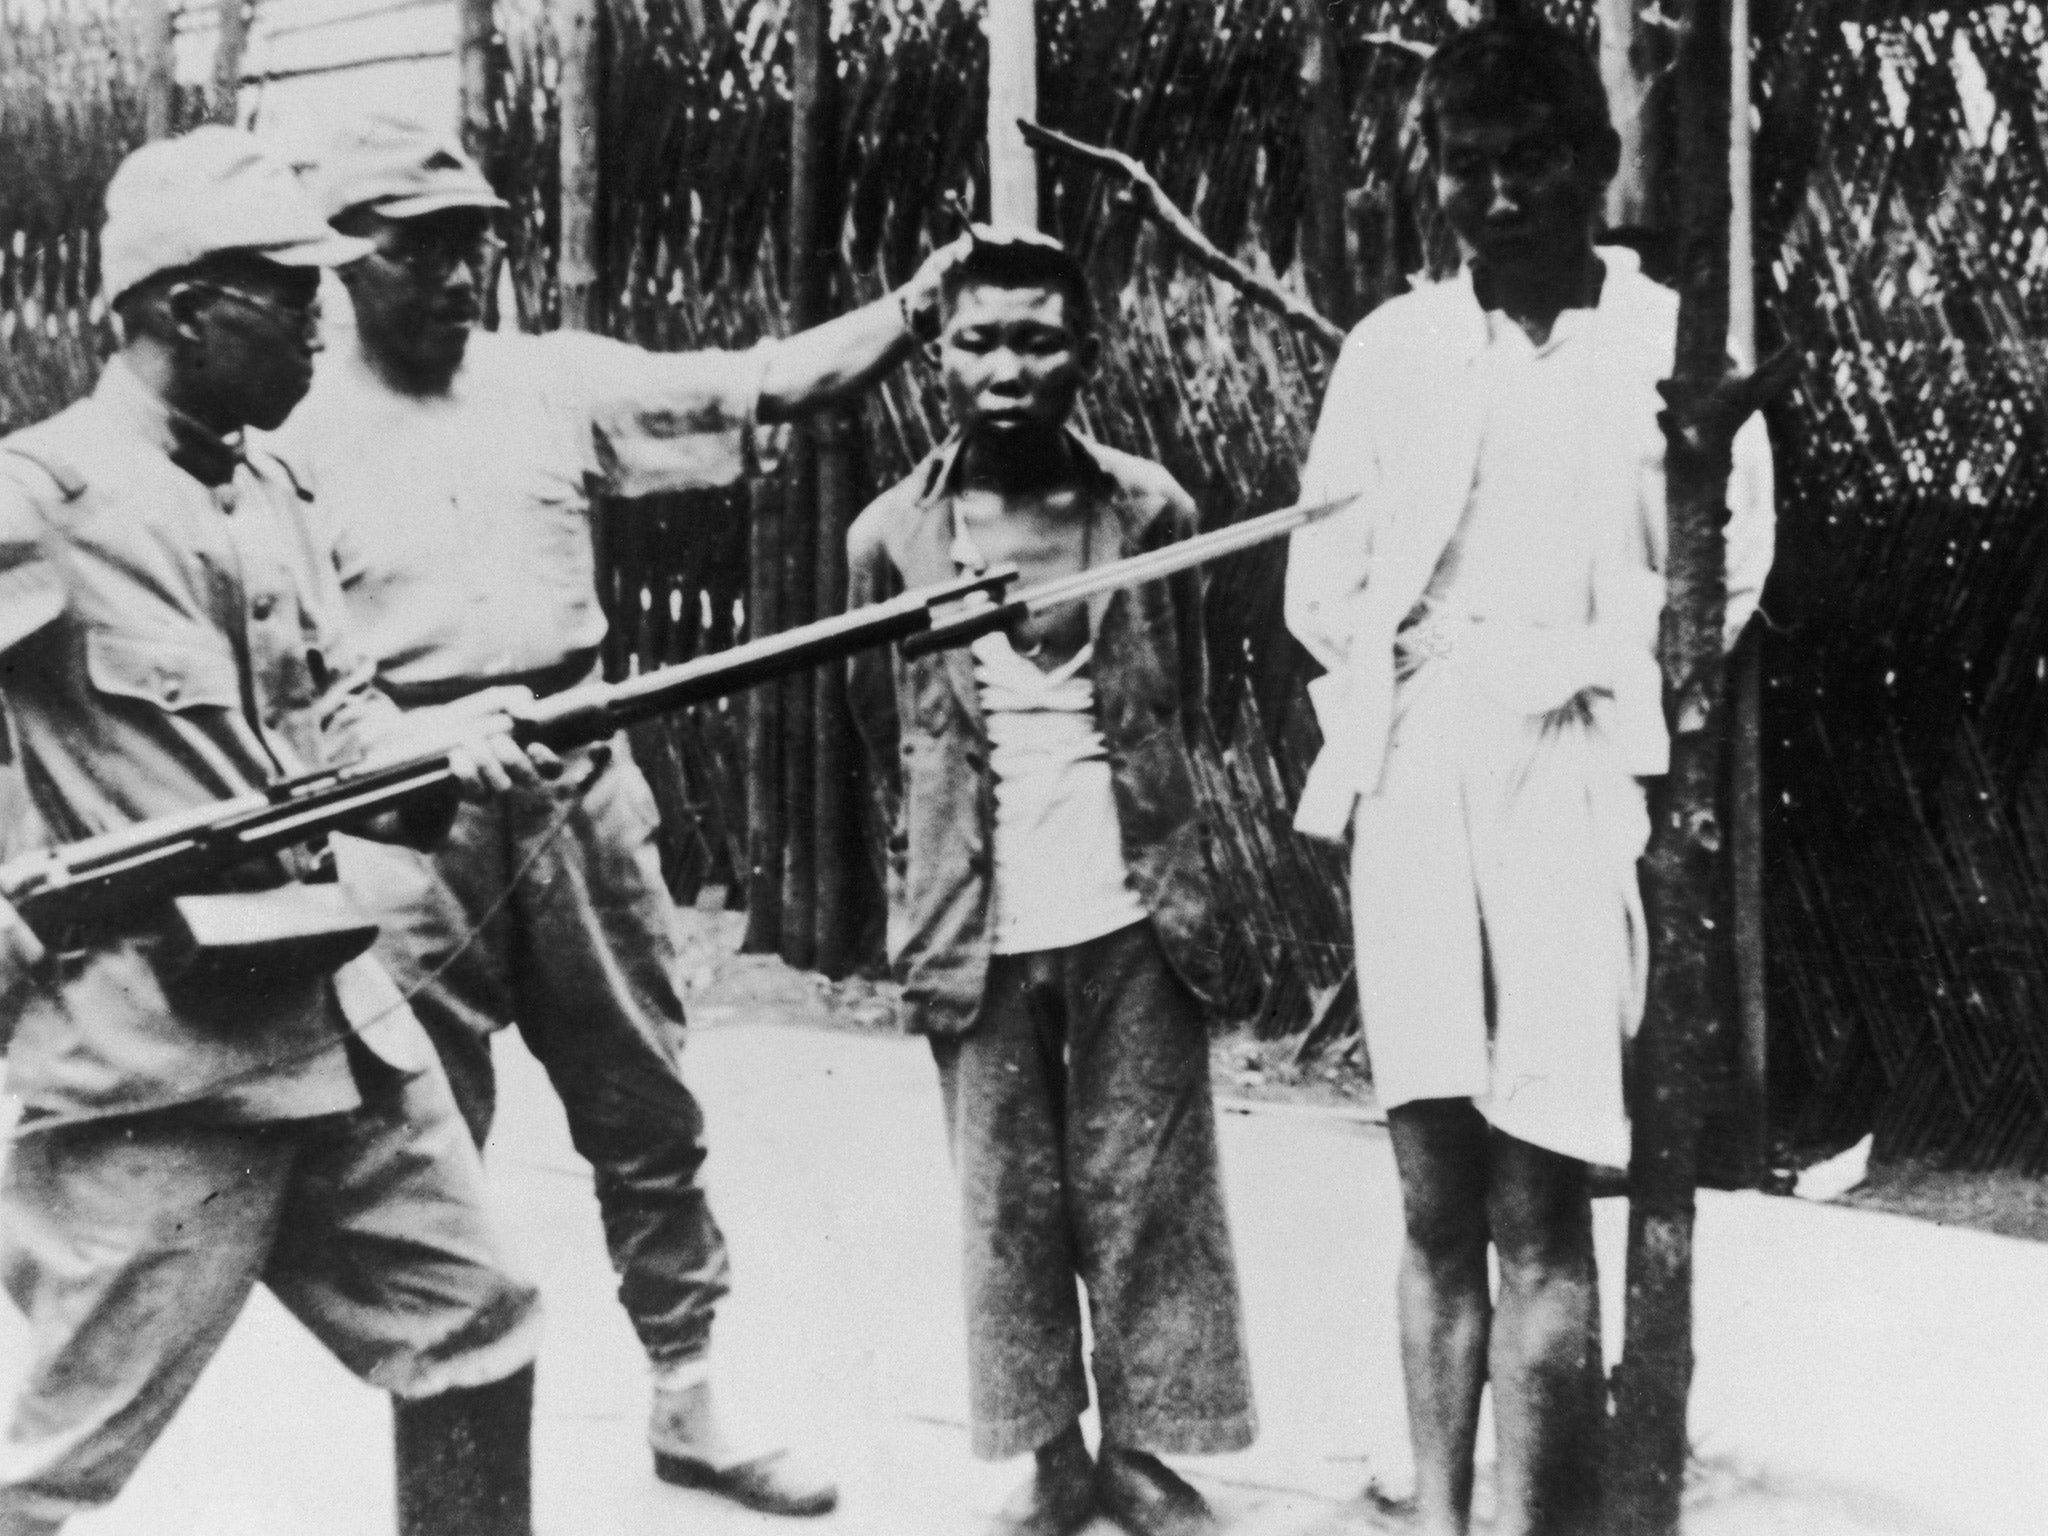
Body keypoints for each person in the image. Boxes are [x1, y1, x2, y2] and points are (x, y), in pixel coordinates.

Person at [277, 112, 966, 1517]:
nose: (462, 281)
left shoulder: (555, 381)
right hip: (401, 819)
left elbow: (768, 384)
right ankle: (449, 1475)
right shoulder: (284, 432)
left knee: (646, 1112)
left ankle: (691, 1404)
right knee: (425, 1151)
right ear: (348, 262)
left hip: (579, 788)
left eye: (476, 251)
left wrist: (920, 306)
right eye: (425, 255)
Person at [0, 127, 565, 1536]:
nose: (326, 316)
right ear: (184, 305)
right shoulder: (40, 499)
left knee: (478, 1331)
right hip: (158, 1059)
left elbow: (341, 720)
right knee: (53, 1457)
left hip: (338, 1030)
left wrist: (447, 743)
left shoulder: (270, 492)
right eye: (288, 289)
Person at [1284, 18, 1775, 1536]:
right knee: (1434, 1189)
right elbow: (1325, 583)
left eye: (1533, 161)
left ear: (1595, 162)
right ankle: (1439, 1517)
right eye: (1470, 166)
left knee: (1540, 1201)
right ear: (1438, 178)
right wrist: (1424, 677)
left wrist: (1578, 654)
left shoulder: (1671, 350)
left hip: (1574, 767)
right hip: (1421, 760)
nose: (1501, 196)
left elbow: (1725, 573)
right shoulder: (1396, 351)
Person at [846, 230, 1257, 1536]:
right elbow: (881, 732)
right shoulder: (890, 539)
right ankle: (1051, 1462)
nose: (1009, 368)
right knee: (1009, 1205)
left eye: (1039, 339)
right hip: (980, 922)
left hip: (1136, 910)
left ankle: (1146, 1455)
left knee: (1149, 1198)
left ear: (1089, 355)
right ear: (937, 357)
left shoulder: (1153, 511)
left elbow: (1181, 693)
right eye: (980, 339)